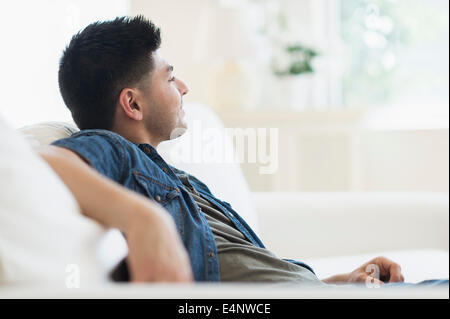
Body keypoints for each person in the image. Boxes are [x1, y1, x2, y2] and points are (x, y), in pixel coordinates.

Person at [38, 16, 445, 287]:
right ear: (133, 104)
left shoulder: (176, 180)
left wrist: (340, 283)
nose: (183, 89)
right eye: (171, 77)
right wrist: (146, 221)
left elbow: (254, 280)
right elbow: (45, 164)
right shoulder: (116, 151)